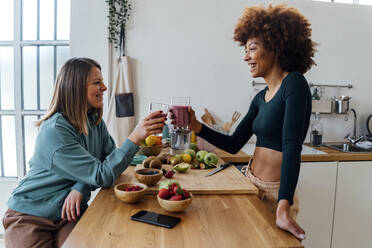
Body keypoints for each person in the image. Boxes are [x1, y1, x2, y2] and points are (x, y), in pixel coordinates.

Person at [183, 4, 316, 240]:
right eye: (245, 49)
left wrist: (283, 206)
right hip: (250, 182)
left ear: (275, 47)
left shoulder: (294, 84)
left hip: (275, 194)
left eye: (252, 48)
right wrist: (197, 127)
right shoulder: (260, 97)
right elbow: (234, 143)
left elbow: (292, 146)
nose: (246, 57)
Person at [2, 58, 166, 247]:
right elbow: (102, 174)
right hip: (31, 216)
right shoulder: (55, 131)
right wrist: (135, 137)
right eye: (97, 82)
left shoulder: (94, 121)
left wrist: (80, 186)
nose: (104, 88)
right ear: (76, 87)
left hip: (67, 214)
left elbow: (110, 163)